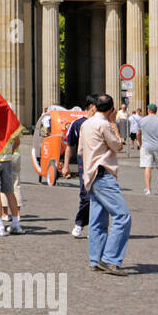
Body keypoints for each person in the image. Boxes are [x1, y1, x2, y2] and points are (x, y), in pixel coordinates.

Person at [78, 93, 132, 276]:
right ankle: (109, 259)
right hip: (103, 174)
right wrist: (114, 125)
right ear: (111, 109)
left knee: (97, 220)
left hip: (90, 174)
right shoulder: (103, 125)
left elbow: (81, 150)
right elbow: (118, 146)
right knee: (122, 216)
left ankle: (95, 259)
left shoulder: (86, 124)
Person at [61, 96, 98, 238]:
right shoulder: (77, 124)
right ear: (91, 107)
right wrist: (66, 165)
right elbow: (70, 146)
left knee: (99, 198)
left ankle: (94, 229)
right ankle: (80, 223)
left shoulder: (101, 123)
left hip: (99, 165)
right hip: (84, 165)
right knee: (86, 196)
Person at [138, 103, 158, 195]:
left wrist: (140, 144)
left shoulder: (142, 120)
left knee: (147, 167)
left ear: (148, 110)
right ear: (156, 111)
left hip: (146, 146)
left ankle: (148, 188)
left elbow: (138, 133)